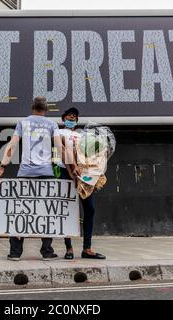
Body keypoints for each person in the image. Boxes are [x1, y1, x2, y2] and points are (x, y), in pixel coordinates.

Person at [0, 96, 62, 261]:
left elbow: (12, 146)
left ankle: (15, 253)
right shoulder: (52, 125)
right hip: (46, 172)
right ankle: (47, 252)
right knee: (47, 211)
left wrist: (2, 166)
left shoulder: (22, 123)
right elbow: (60, 148)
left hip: (25, 172)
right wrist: (74, 170)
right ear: (46, 109)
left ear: (32, 107)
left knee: (20, 211)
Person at [59, 107, 106, 260]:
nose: (72, 118)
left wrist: (97, 166)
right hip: (66, 173)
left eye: (74, 117)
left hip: (84, 175)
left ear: (77, 120)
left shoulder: (82, 135)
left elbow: (91, 153)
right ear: (63, 118)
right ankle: (69, 248)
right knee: (67, 211)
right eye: (69, 116)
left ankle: (87, 248)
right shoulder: (59, 133)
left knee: (90, 209)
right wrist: (72, 169)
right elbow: (63, 152)